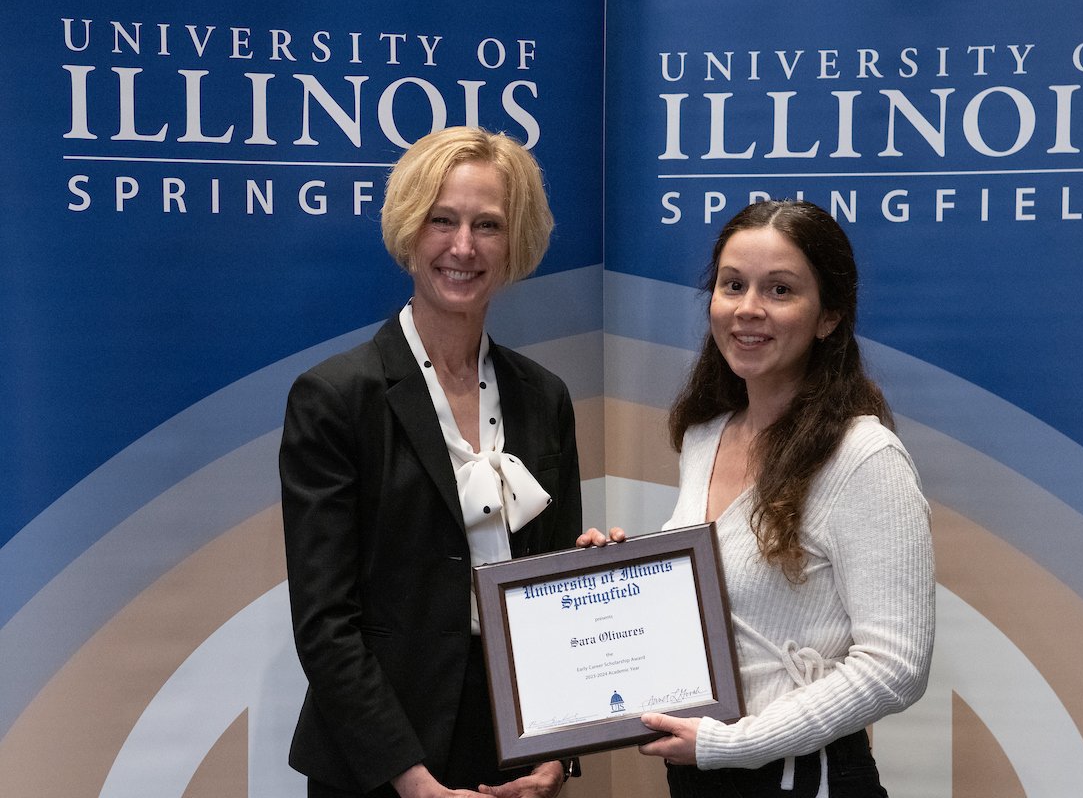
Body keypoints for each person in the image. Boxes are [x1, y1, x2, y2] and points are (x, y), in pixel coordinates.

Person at [280, 126, 581, 798]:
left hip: (512, 752)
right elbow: (326, 624)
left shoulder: (544, 397)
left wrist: (558, 754)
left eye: (488, 225)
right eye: (441, 220)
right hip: (376, 759)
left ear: (516, 241)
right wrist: (410, 780)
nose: (463, 247)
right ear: (410, 231)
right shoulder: (334, 398)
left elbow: (558, 590)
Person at [634, 200, 935, 797]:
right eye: (732, 285)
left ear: (829, 316)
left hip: (803, 779)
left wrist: (735, 744)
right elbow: (729, 606)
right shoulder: (704, 437)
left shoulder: (863, 455)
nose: (748, 309)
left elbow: (898, 665)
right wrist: (616, 578)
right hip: (701, 776)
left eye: (780, 290)